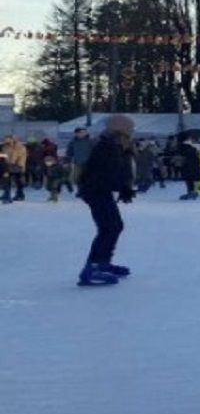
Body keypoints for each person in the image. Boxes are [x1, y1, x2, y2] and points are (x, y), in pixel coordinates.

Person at [77, 115, 136, 286]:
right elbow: (106, 172)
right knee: (110, 227)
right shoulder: (106, 147)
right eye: (129, 131)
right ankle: (93, 267)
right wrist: (121, 185)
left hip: (100, 190)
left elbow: (120, 170)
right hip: (96, 190)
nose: (131, 134)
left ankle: (102, 262)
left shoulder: (115, 146)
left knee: (113, 226)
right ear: (120, 131)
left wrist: (124, 187)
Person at [66, 127, 94, 193]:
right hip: (78, 163)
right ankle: (80, 191)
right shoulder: (73, 142)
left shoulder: (91, 141)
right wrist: (67, 161)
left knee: (88, 178)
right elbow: (69, 152)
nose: (82, 134)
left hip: (89, 163)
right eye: (80, 132)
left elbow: (96, 152)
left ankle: (88, 190)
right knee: (77, 178)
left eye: (84, 132)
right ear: (76, 134)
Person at [2, 135, 27, 202]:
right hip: (9, 166)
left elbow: (15, 157)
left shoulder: (19, 147)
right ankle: (8, 194)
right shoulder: (6, 146)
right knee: (8, 181)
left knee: (17, 181)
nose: (5, 140)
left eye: (7, 139)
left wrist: (9, 162)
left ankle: (17, 195)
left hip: (17, 166)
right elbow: (5, 155)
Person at [178, 134, 200, 200]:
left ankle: (191, 192)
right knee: (192, 179)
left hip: (189, 165)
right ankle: (193, 192)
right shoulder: (196, 146)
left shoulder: (185, 146)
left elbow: (183, 154)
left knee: (189, 179)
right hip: (194, 165)